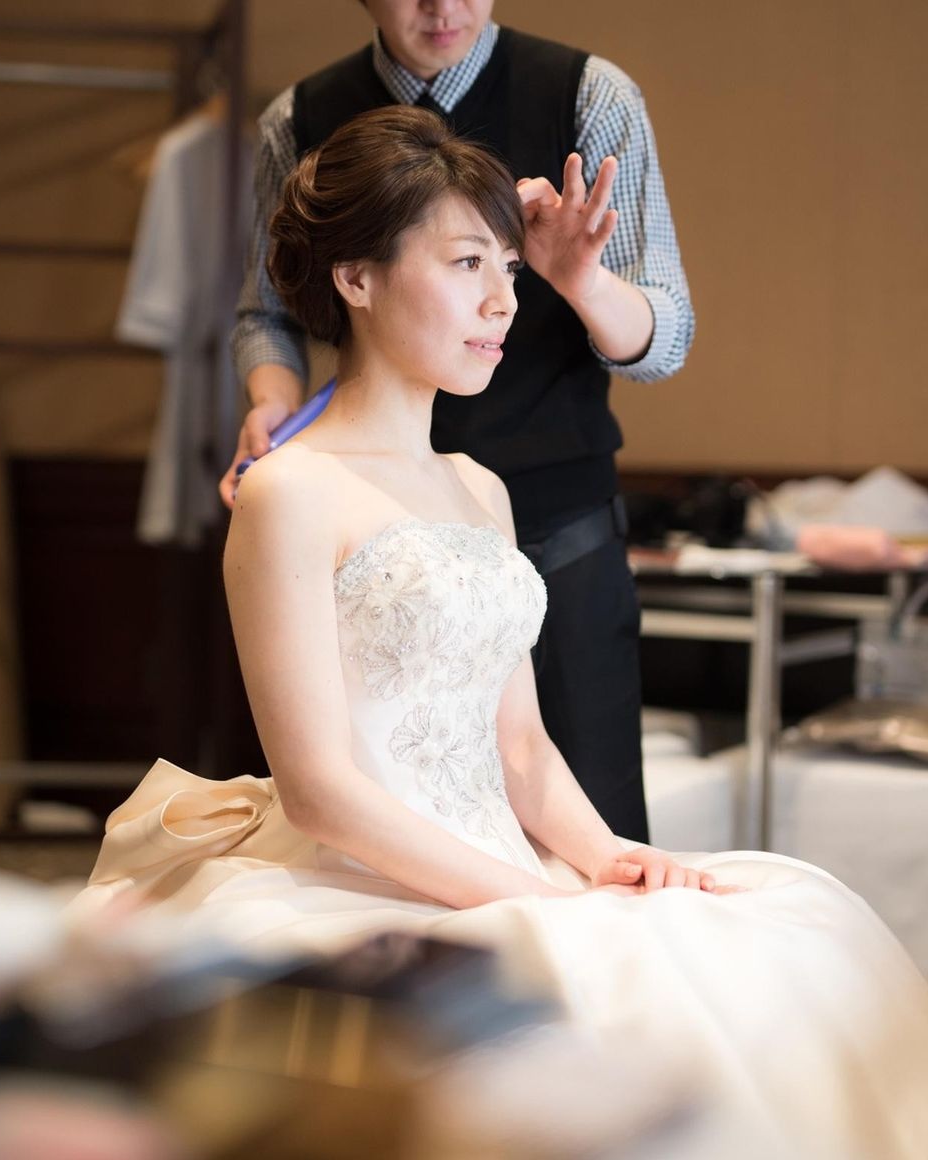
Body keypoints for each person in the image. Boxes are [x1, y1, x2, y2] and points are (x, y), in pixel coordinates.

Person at [81, 108, 928, 1157]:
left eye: (508, 268)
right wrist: (525, 899)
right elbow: (319, 790)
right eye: (467, 262)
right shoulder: (289, 490)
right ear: (357, 278)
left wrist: (607, 859)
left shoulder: (481, 486)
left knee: (793, 932)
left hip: (511, 865)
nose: (503, 301)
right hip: (358, 878)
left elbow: (518, 745)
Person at [223, 0, 698, 843]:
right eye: (469, 262)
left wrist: (579, 280)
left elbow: (665, 341)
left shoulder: (591, 95)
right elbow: (269, 309)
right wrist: (273, 406)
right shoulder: (296, 121)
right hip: (359, 515)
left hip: (551, 518)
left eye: (505, 267)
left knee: (599, 810)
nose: (443, 6)